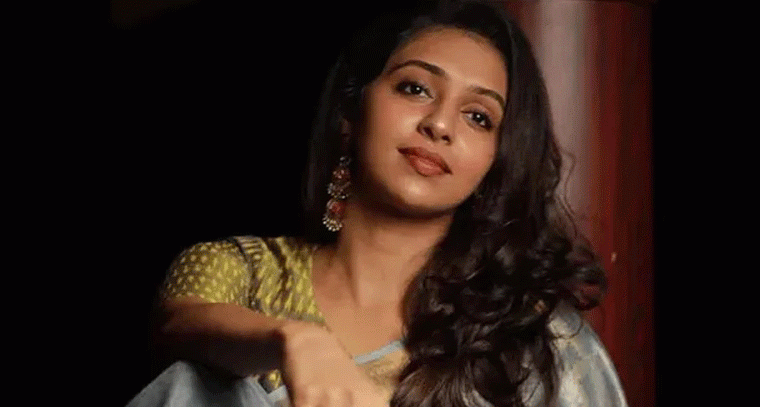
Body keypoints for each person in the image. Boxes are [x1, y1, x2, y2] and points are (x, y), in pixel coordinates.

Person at [127, 1, 628, 406]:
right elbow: (178, 323)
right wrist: (295, 341)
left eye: (478, 117)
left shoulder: (532, 336)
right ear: (351, 112)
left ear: (495, 163)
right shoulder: (247, 273)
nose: (439, 124)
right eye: (415, 88)